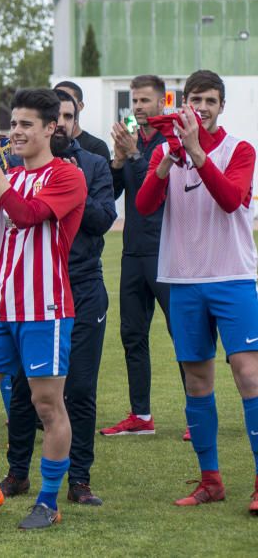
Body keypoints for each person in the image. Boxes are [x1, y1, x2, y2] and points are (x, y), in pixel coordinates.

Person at [0, 88, 87, 530]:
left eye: (27, 124)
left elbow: (25, 215)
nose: (16, 132)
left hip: (45, 309)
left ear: (51, 128)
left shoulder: (66, 176)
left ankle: (48, 500)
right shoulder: (11, 174)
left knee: (48, 406)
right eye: (13, 124)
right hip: (1, 306)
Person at [135, 69, 258, 514]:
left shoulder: (239, 149)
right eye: (194, 99)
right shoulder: (167, 150)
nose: (201, 107)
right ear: (183, 103)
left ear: (221, 105)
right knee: (198, 382)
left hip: (233, 278)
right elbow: (144, 206)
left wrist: (196, 153)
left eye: (209, 100)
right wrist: (167, 161)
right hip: (184, 280)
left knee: (249, 376)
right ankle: (212, 481)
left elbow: (230, 199)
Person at [0, 89, 116, 506]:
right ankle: (16, 473)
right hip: (32, 293)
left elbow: (104, 220)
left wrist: (68, 195)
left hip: (82, 288)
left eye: (68, 114)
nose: (63, 122)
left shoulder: (93, 164)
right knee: (22, 389)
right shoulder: (19, 166)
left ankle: (79, 479)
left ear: (73, 117)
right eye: (57, 115)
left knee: (79, 389)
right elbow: (16, 215)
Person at [100, 75, 187, 439]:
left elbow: (153, 184)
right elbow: (115, 191)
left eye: (145, 101)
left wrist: (132, 154)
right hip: (133, 251)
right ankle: (141, 415)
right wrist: (118, 160)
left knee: (181, 334)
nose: (137, 107)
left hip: (166, 250)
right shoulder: (133, 141)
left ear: (162, 103)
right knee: (132, 334)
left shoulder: (172, 142)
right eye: (134, 101)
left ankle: (196, 414)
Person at [53, 81, 110, 163]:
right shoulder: (40, 148)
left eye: (67, 98)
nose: (61, 102)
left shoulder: (96, 147)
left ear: (80, 106)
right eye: (57, 98)